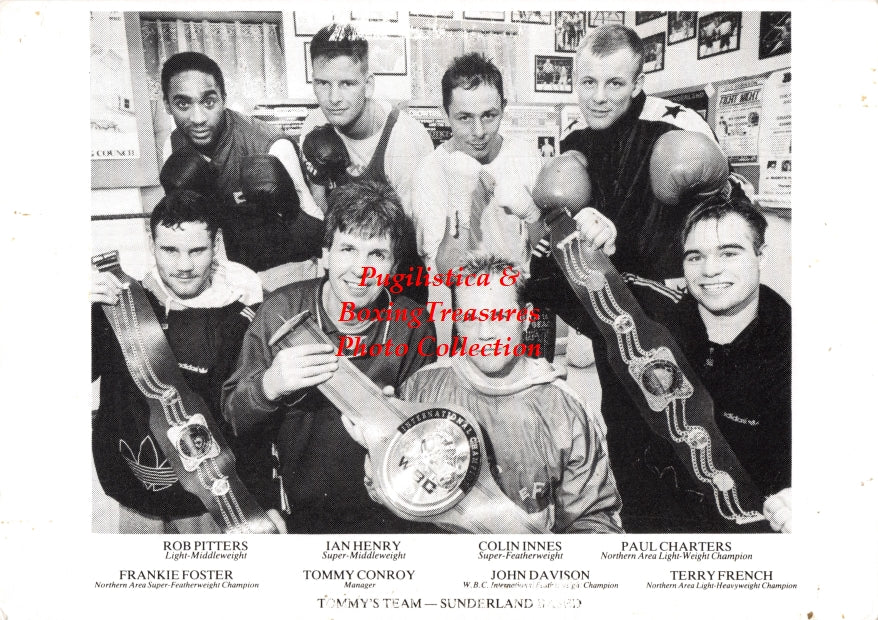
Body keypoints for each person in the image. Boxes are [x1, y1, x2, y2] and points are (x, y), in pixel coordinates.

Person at [222, 181, 438, 534]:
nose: (360, 269)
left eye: (377, 255)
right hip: (300, 514)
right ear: (324, 254)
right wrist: (269, 386)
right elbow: (234, 418)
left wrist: (400, 419)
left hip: (389, 511)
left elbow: (427, 439)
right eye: (348, 249)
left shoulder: (412, 325)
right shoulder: (281, 311)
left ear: (395, 265)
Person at [388, 251, 623, 534]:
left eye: (499, 315)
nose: (485, 332)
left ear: (524, 318)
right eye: (471, 317)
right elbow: (393, 495)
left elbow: (593, 519)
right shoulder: (420, 391)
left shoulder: (566, 410)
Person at [91, 190, 274, 534]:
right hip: (135, 503)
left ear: (216, 243)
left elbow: (256, 422)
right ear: (151, 243)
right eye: (170, 250)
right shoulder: (122, 306)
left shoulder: (244, 317)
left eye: (197, 250)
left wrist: (266, 501)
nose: (184, 266)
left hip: (212, 508)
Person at [160, 51, 324, 291]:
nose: (197, 118)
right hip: (223, 274)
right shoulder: (173, 145)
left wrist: (289, 210)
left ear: (224, 98)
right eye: (183, 104)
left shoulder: (272, 146)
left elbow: (318, 230)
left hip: (284, 272)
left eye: (208, 101)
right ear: (167, 104)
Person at [299, 23, 433, 218]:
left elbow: (414, 235)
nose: (333, 98)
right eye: (323, 83)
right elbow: (319, 212)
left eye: (347, 83)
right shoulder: (315, 122)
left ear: (368, 85)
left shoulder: (406, 140)